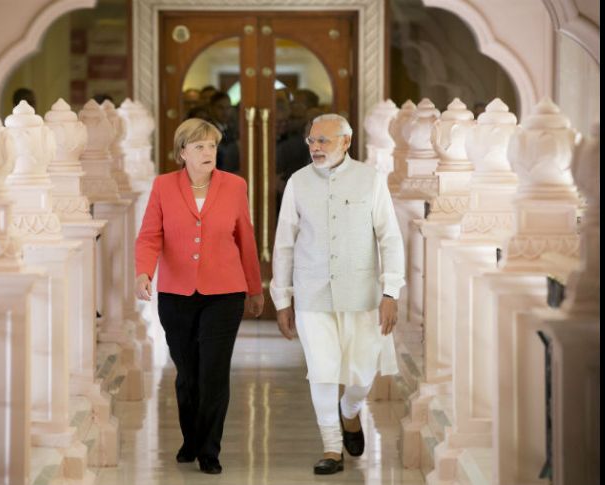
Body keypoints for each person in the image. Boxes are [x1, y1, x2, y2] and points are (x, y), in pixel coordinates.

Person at [269, 113, 405, 475]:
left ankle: (350, 411)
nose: (315, 147)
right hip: (313, 293)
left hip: (362, 293)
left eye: (324, 141)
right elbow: (284, 244)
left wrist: (390, 291)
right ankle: (331, 447)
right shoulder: (298, 182)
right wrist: (282, 299)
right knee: (322, 371)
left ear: (346, 142)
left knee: (362, 374)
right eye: (311, 141)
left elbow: (389, 238)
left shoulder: (370, 180)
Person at [134, 118, 264, 474]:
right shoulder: (163, 186)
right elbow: (149, 235)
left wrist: (255, 288)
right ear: (182, 154)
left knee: (214, 373)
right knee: (188, 373)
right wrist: (144, 271)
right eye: (199, 147)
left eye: (212, 146)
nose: (209, 153)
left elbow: (245, 240)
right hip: (176, 293)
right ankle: (191, 437)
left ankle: (209, 449)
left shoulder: (235, 186)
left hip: (224, 293)